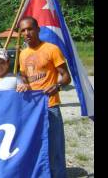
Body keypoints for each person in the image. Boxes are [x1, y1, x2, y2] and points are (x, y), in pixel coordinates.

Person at [17, 16, 71, 178]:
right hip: (31, 109)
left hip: (50, 106)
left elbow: (66, 76)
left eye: (30, 29)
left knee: (55, 149)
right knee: (35, 148)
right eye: (23, 30)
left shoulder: (51, 49)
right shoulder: (23, 54)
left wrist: (57, 85)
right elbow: (24, 76)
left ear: (38, 29)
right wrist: (24, 83)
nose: (27, 33)